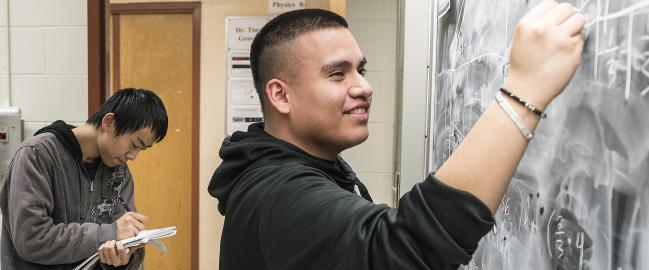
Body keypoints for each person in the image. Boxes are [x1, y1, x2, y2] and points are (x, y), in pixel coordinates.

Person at [208, 1, 585, 269]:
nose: (364, 87)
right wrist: (525, 91)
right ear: (280, 95)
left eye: (361, 70)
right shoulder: (278, 192)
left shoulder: (291, 169)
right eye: (338, 74)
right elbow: (409, 250)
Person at [0, 88, 169, 270]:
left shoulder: (120, 174)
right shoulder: (37, 155)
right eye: (134, 144)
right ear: (109, 122)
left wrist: (122, 258)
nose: (134, 156)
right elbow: (31, 239)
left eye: (141, 150)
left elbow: (124, 243)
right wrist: (109, 233)